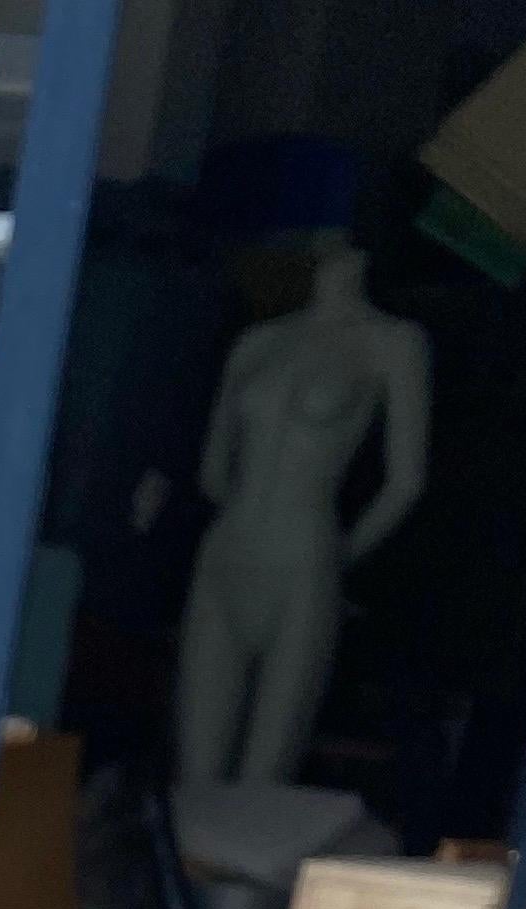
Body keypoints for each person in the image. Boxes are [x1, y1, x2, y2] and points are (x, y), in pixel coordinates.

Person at [176, 237, 430, 787]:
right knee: (195, 775)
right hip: (227, 558)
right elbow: (212, 470)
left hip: (302, 563)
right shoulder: (258, 341)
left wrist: (339, 556)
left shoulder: (393, 343)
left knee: (264, 782)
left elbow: (406, 483)